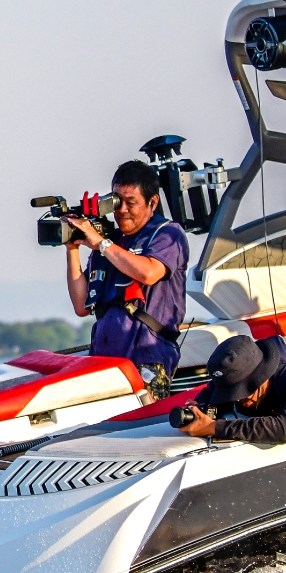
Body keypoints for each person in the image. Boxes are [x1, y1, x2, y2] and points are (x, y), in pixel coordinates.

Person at [64, 159, 189, 399]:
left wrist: (101, 244)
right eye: (117, 202)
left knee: (143, 420)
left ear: (152, 202)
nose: (122, 210)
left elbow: (149, 273)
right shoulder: (110, 241)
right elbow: (81, 306)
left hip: (147, 359)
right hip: (105, 360)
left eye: (131, 203)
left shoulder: (167, 234)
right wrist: (72, 249)